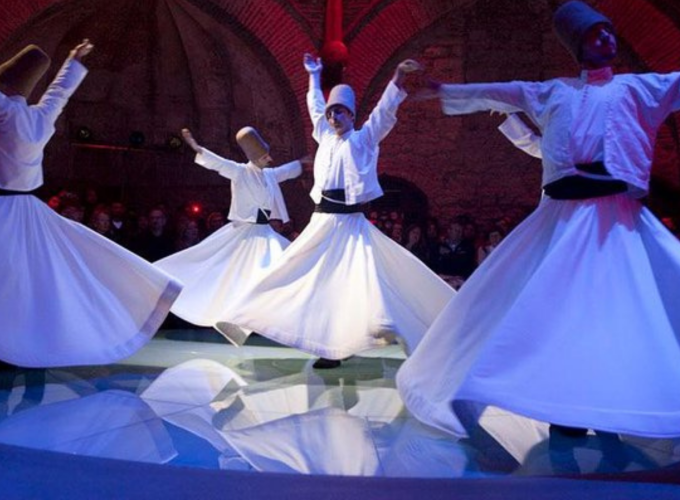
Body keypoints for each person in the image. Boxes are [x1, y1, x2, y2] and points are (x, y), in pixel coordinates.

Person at [397, 0, 680, 439]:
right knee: (554, 311)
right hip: (564, 218)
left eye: (607, 32)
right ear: (578, 46)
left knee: (615, 311)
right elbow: (505, 90)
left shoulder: (639, 88)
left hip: (614, 217)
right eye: (594, 35)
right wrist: (445, 91)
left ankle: (608, 402)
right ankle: (561, 403)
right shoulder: (556, 91)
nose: (606, 39)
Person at [218, 54, 455, 369]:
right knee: (291, 268)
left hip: (351, 222)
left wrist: (397, 79)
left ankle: (362, 337)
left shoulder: (363, 140)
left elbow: (383, 114)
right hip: (322, 221)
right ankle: (244, 317)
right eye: (331, 113)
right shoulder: (325, 137)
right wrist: (313, 75)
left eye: (340, 112)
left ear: (351, 115)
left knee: (358, 281)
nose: (333, 118)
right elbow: (315, 105)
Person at [0, 40, 182, 367]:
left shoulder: (2, 109)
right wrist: (72, 63)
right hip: (28, 212)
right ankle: (23, 343)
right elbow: (58, 95)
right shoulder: (38, 117)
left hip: (4, 209)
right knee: (29, 281)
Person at [155, 127, 302, 330]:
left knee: (280, 267)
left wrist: (302, 164)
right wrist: (198, 149)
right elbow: (219, 165)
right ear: (254, 157)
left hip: (264, 232)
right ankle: (235, 322)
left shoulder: (268, 175)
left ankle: (261, 320)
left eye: (268, 154)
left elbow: (285, 172)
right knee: (238, 277)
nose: (269, 159)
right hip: (246, 233)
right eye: (264, 156)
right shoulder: (240, 172)